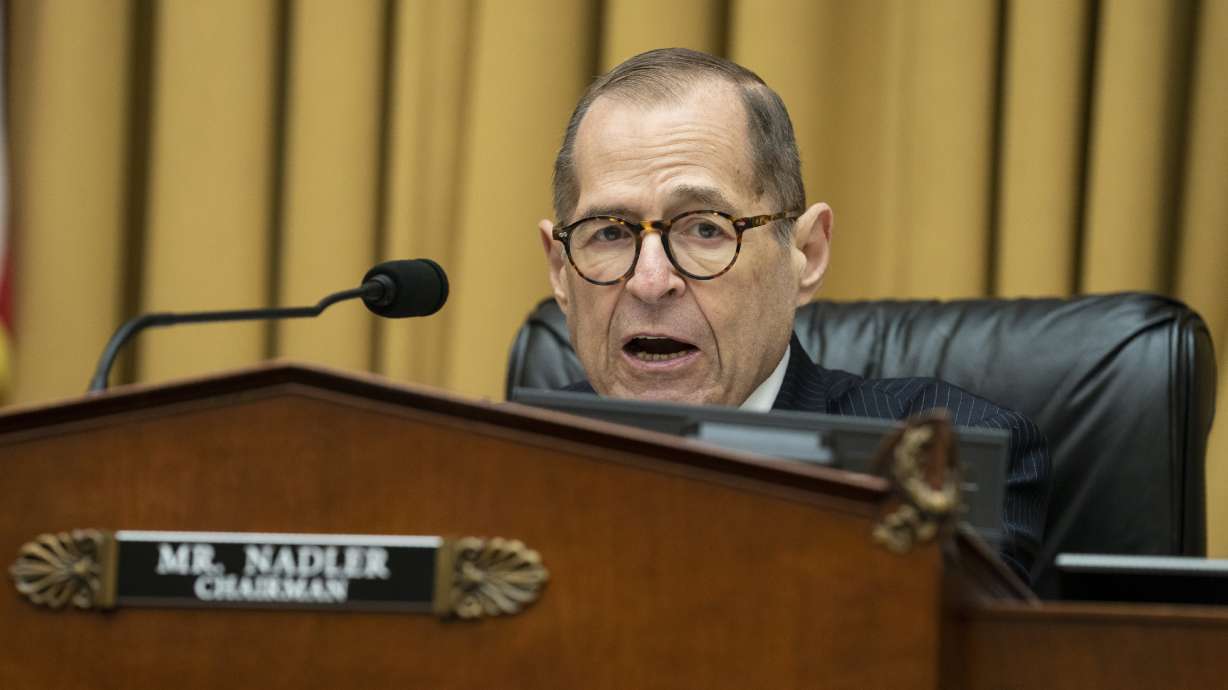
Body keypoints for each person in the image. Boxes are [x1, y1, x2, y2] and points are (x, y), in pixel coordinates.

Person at [536, 48, 1049, 580]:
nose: (650, 281)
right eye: (611, 233)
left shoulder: (946, 463)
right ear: (559, 270)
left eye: (705, 228)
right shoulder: (510, 458)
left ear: (807, 255)